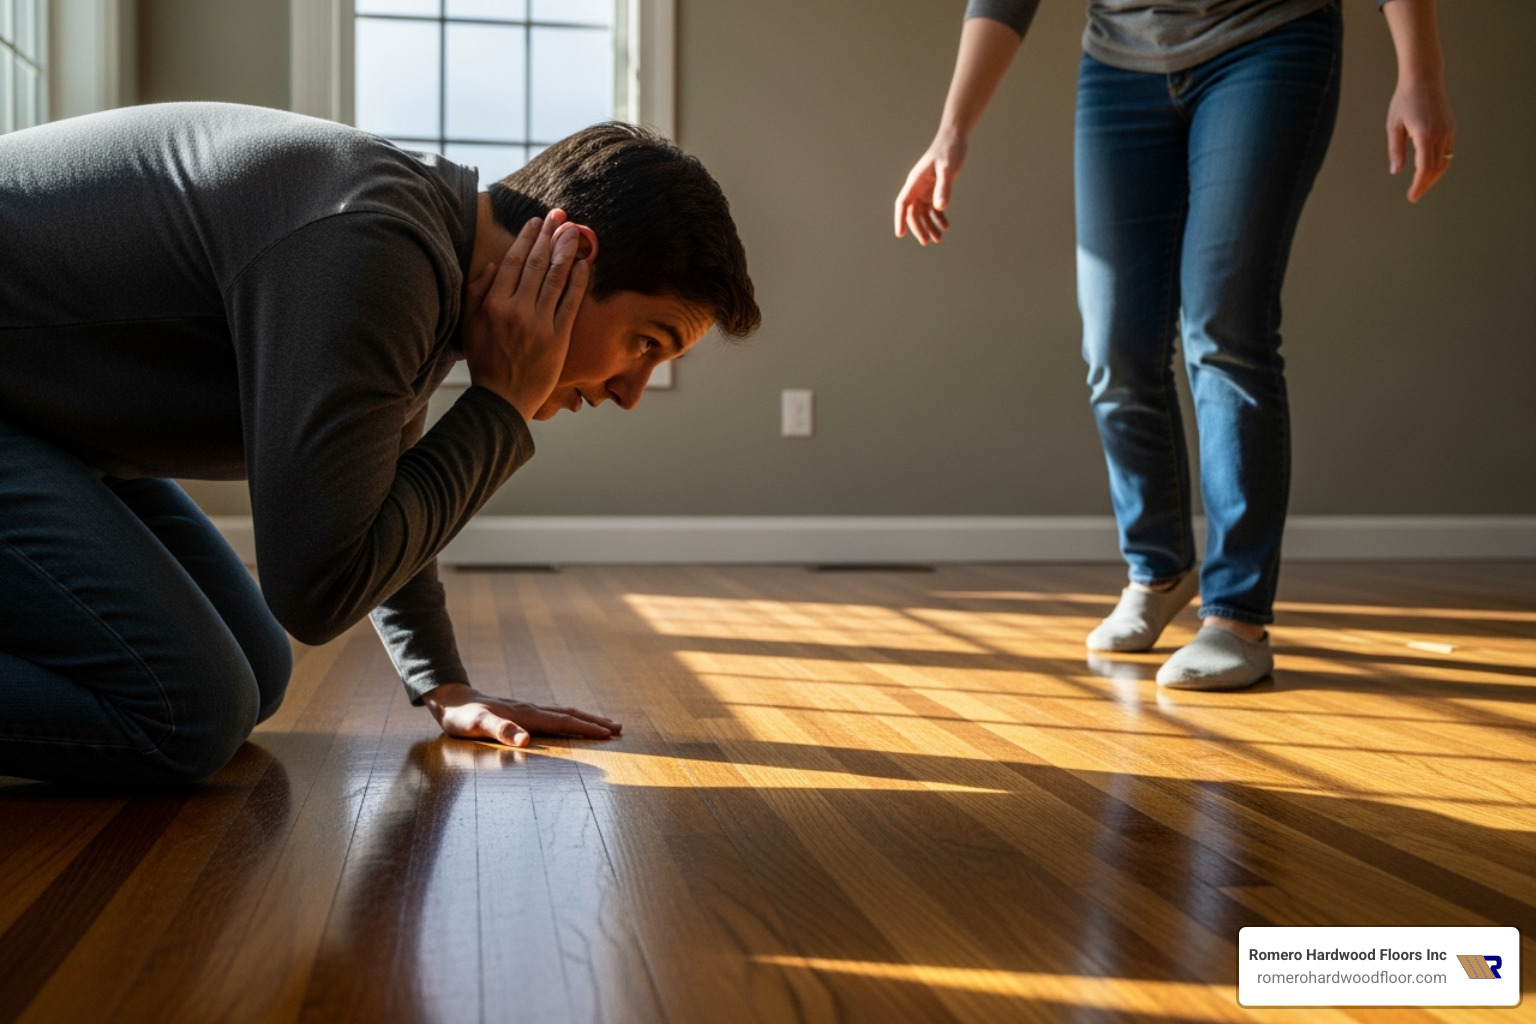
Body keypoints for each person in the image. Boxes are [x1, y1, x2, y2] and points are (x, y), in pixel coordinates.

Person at [0, 103, 759, 787]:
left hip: (49, 423)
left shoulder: (425, 245)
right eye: (645, 344)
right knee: (187, 710)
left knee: (258, 672)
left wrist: (442, 683)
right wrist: (499, 405)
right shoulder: (375, 248)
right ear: (571, 258)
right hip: (27, 417)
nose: (630, 392)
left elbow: (375, 481)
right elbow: (319, 589)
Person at [895, 0, 1453, 689]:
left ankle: (1236, 615)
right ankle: (1158, 570)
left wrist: (1420, 72)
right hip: (1120, 61)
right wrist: (952, 131)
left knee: (1225, 327)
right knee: (1114, 345)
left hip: (1268, 40)